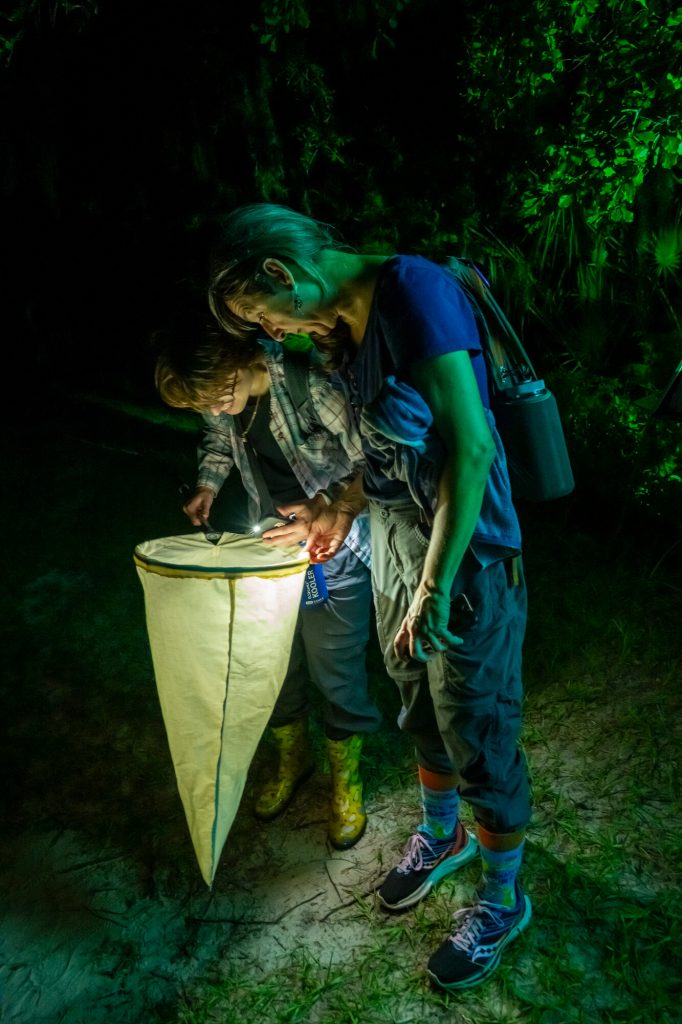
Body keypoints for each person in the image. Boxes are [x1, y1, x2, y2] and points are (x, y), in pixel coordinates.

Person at [205, 203, 533, 992]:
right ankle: (443, 835)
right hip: (393, 532)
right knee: (415, 694)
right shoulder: (342, 330)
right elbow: (379, 453)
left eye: (261, 313)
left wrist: (434, 587)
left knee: (475, 719)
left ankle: (502, 898)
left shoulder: (413, 290)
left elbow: (472, 447)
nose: (269, 333)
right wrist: (336, 510)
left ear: (281, 272)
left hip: (462, 550)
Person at [154, 326, 381, 850]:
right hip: (270, 550)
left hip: (333, 547)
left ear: (234, 359)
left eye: (217, 396)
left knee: (336, 669)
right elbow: (218, 440)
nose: (215, 410)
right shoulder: (221, 396)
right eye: (202, 405)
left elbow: (373, 462)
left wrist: (328, 509)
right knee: (274, 662)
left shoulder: (310, 382)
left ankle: (346, 782)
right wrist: (208, 484)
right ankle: (292, 761)